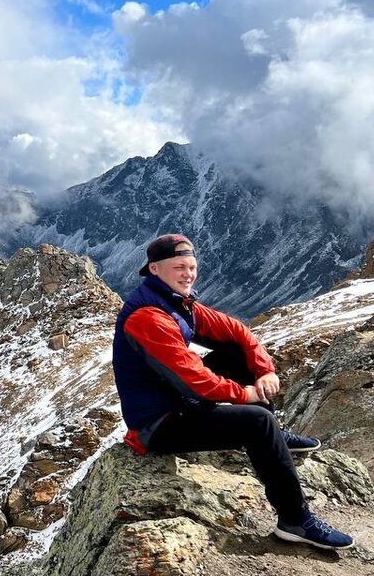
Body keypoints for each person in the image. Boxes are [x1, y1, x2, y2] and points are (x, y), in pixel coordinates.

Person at [112, 233, 354, 551]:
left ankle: (275, 440)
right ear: (154, 270)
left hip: (178, 402)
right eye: (178, 268)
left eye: (191, 266)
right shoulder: (148, 317)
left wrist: (264, 370)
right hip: (157, 425)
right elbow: (195, 382)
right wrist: (247, 394)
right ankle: (295, 521)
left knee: (236, 353)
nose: (187, 274)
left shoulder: (176, 303)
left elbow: (237, 331)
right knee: (258, 422)